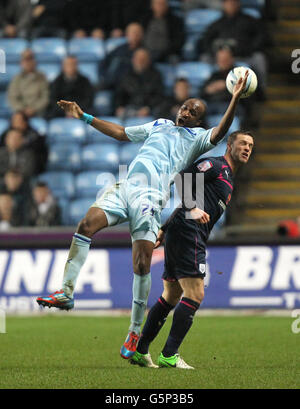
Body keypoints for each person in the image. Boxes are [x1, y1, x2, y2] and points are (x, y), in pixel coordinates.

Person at [36, 71, 249, 361]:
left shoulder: (198, 139)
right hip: (126, 187)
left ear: (199, 120)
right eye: (185, 106)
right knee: (86, 224)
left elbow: (221, 131)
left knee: (141, 262)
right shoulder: (159, 124)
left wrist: (234, 98)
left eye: (193, 111)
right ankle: (66, 292)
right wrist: (84, 116)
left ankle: (135, 331)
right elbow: (122, 133)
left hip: (151, 197)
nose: (185, 111)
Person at [131, 130, 254, 369]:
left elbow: (193, 196)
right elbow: (183, 178)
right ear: (230, 145)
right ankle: (169, 355)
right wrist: (192, 210)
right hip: (190, 232)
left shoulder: (229, 178)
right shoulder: (216, 166)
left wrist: (166, 228)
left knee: (172, 294)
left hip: (180, 230)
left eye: (250, 145)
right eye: (243, 143)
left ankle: (140, 350)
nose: (247, 148)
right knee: (195, 294)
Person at [198, 0, 268, 89]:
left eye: (233, 2)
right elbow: (205, 40)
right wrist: (215, 53)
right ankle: (207, 87)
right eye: (228, 3)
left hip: (244, 55)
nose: (231, 5)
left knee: (259, 58)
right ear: (224, 5)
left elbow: (261, 36)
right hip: (221, 58)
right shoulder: (217, 23)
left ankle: (260, 89)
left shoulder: (249, 20)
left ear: (238, 4)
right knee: (204, 58)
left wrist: (248, 49)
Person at [115, 48, 164, 118]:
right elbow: (119, 95)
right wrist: (119, 107)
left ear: (148, 61)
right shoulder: (126, 76)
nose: (140, 62)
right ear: (133, 60)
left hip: (148, 110)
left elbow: (159, 96)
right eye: (138, 59)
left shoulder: (156, 76)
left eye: (143, 59)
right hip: (130, 109)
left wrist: (149, 108)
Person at [7, 49, 49, 117]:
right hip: (21, 112)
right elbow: (12, 98)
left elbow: (45, 97)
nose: (28, 62)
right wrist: (22, 109)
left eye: (30, 59)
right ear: (21, 63)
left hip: (39, 112)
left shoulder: (42, 77)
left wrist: (34, 108)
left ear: (35, 61)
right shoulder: (17, 78)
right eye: (25, 60)